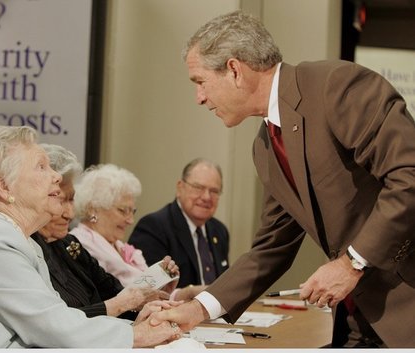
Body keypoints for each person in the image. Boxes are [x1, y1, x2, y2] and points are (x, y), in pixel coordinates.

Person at [150, 10, 415, 348]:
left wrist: (351, 263)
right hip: (359, 320)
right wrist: (199, 309)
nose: (199, 97)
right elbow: (271, 248)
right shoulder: (264, 147)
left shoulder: (336, 85)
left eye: (200, 82)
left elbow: (409, 175)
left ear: (234, 70)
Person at [0, 126, 180, 348]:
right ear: (4, 186)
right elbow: (53, 328)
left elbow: (58, 320)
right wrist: (134, 334)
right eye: (41, 167)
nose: (55, 176)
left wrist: (132, 325)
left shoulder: (19, 239)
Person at [31, 143, 171, 319]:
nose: (70, 213)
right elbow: (55, 323)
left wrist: (155, 297)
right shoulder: (27, 250)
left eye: (72, 200)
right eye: (61, 200)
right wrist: (125, 303)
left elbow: (116, 293)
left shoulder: (69, 244)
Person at [72, 163, 201, 301]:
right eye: (123, 211)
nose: (131, 220)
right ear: (93, 209)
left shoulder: (118, 245)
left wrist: (184, 292)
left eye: (132, 211)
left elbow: (147, 294)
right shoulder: (80, 244)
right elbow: (108, 301)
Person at [128, 158, 230, 288]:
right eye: (198, 188)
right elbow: (150, 291)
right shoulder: (153, 227)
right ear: (180, 187)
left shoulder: (219, 230)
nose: (206, 197)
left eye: (214, 191)